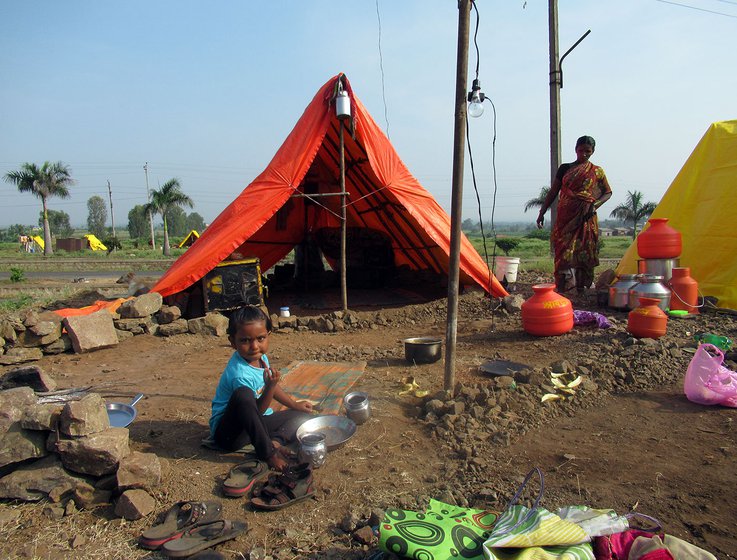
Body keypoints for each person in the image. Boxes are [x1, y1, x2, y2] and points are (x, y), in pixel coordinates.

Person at [209, 305, 313, 472]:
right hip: (230, 435)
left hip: (253, 427)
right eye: (245, 340)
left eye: (260, 338)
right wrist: (270, 386)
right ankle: (269, 453)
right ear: (232, 342)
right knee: (243, 394)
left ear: (268, 336)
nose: (254, 346)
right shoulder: (240, 374)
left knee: (303, 417)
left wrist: (294, 405)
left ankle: (276, 441)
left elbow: (269, 388)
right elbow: (255, 409)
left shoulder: (261, 357)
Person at [536, 135, 612, 294]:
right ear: (575, 149)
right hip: (566, 217)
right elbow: (553, 192)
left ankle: (581, 289)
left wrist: (594, 205)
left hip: (586, 217)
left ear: (593, 152)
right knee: (563, 251)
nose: (584, 154)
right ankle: (561, 289)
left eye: (588, 151)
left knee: (584, 251)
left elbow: (608, 192)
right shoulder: (565, 168)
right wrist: (542, 211)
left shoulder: (597, 171)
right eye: (581, 150)